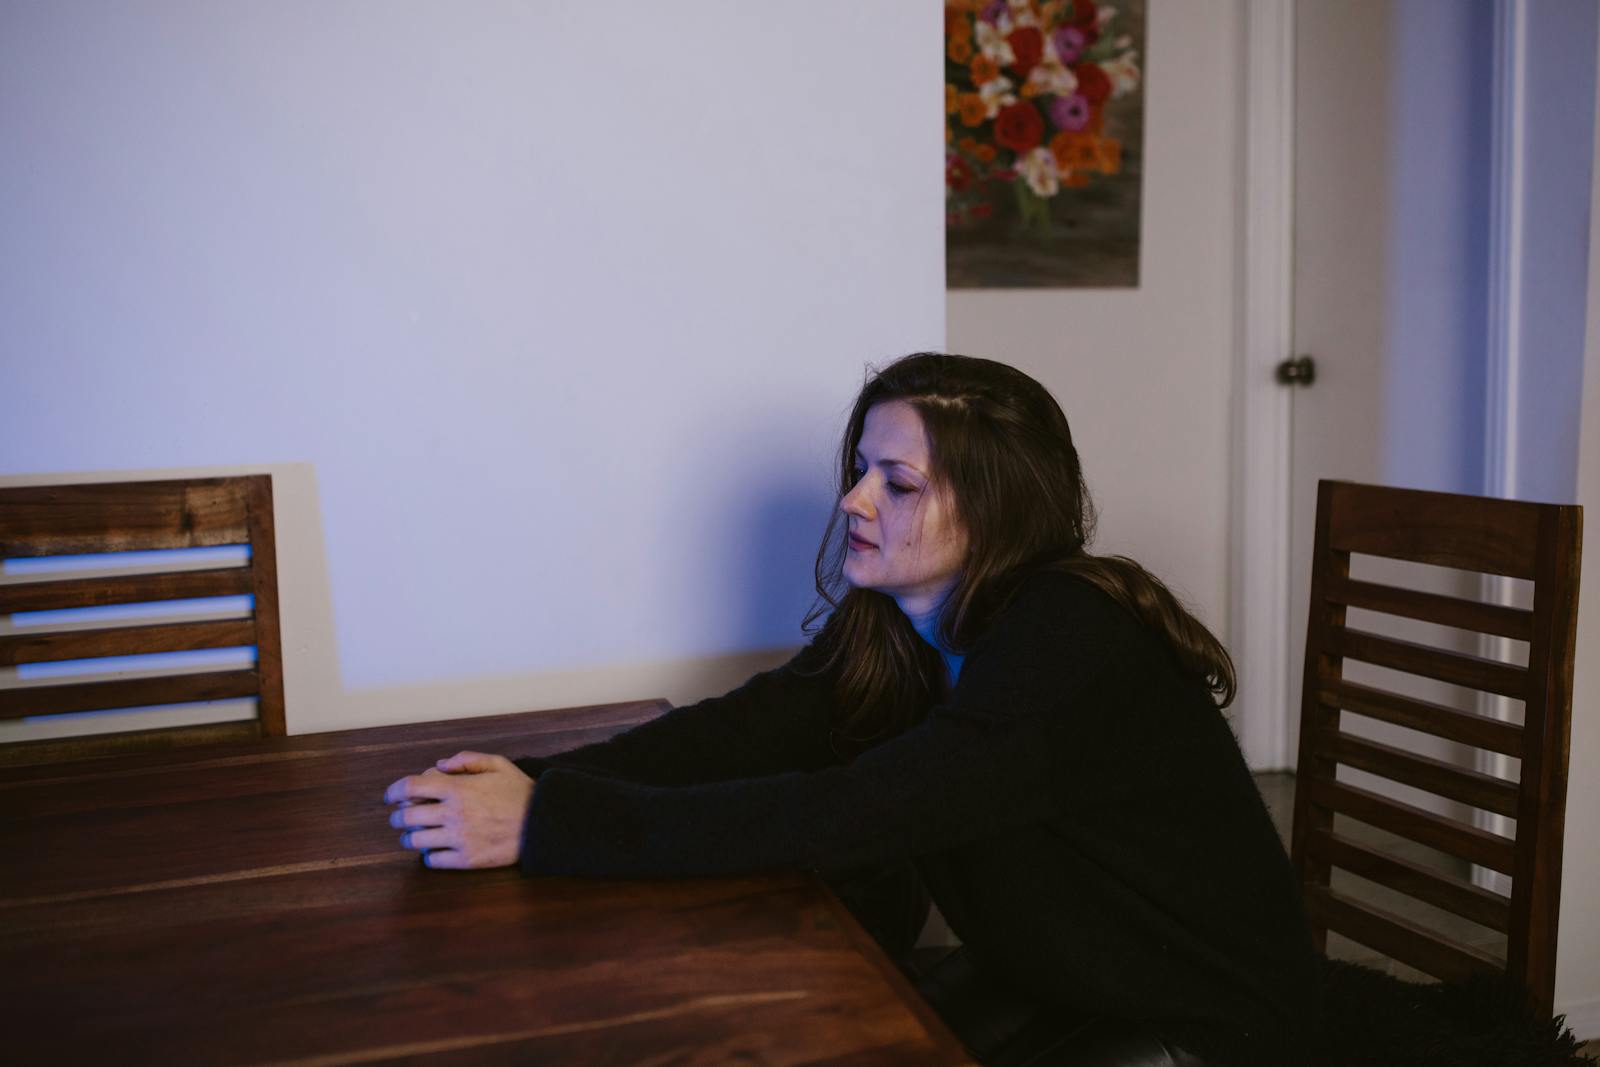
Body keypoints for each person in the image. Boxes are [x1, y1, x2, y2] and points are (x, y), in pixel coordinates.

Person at [383, 352, 1319, 1066]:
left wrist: (551, 823)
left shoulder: (1066, 637)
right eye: (862, 468)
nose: (853, 499)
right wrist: (531, 783)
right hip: (1057, 978)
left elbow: (849, 812)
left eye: (897, 483)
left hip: (1202, 1026)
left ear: (998, 512)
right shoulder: (900, 624)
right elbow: (740, 730)